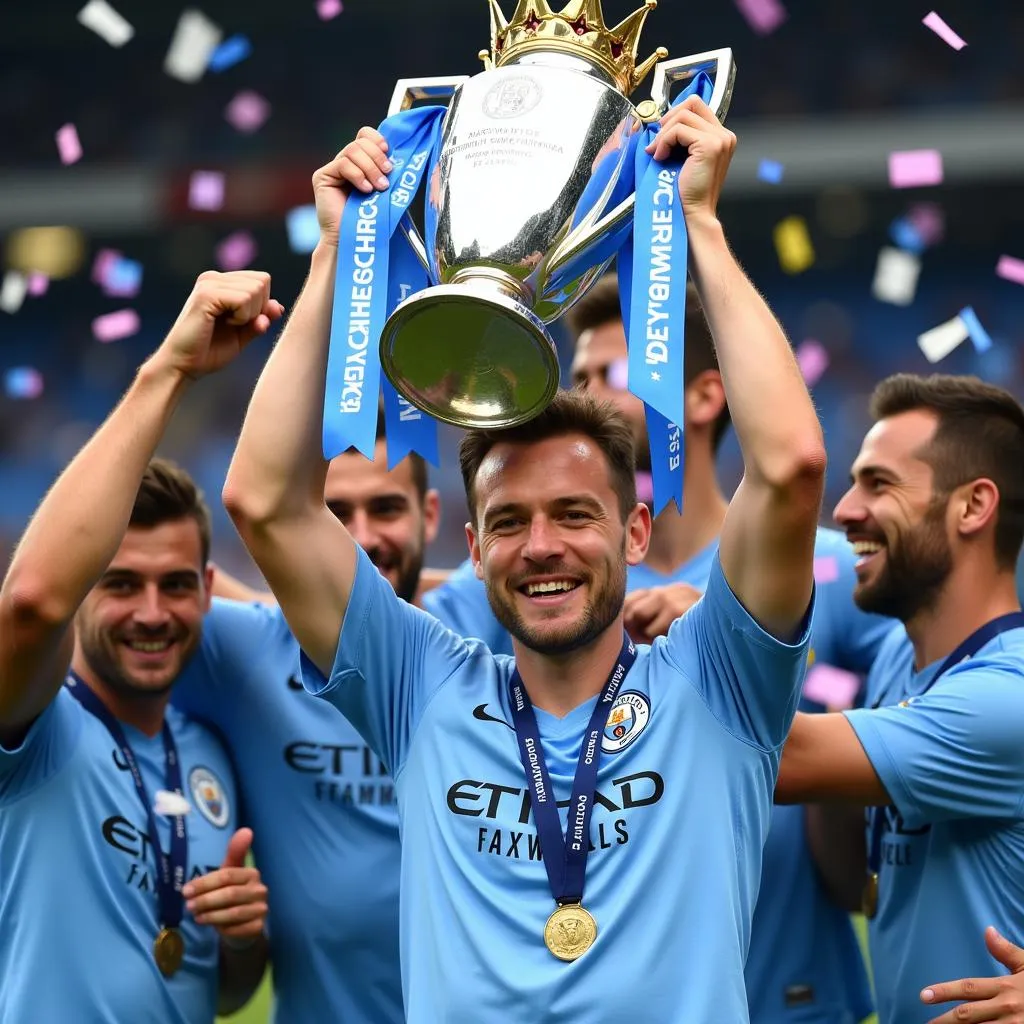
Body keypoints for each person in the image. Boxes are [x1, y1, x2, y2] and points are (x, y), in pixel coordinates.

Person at [223, 97, 826, 1022]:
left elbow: (788, 469)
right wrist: (336, 261)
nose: (541, 546)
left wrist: (697, 223)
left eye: (575, 514)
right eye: (508, 522)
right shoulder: (416, 681)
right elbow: (265, 500)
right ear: (470, 546)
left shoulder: (719, 680)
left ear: (633, 532)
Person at [432, 272, 893, 1023]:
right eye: (575, 375)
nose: (581, 393)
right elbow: (386, 613)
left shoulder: (829, 567)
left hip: (794, 989)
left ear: (706, 397)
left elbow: (942, 693)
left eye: (609, 375)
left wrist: (768, 667)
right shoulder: (561, 583)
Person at [0, 271, 282, 1022]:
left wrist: (243, 939)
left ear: (210, 584)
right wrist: (171, 368)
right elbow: (29, 604)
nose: (152, 613)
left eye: (175, 584)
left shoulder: (209, 752)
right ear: (83, 586)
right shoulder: (36, 733)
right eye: (119, 583)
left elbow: (220, 994)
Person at [173, 407, 468, 1024]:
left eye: (385, 508)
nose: (360, 539)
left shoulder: (489, 627)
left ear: (430, 517)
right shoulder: (242, 653)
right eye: (334, 515)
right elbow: (81, 604)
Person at [776, 374, 1024, 1024]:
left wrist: (712, 632)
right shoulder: (896, 661)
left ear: (973, 507)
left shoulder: (1007, 696)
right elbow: (850, 883)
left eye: (879, 484)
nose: (846, 510)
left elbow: (782, 760)